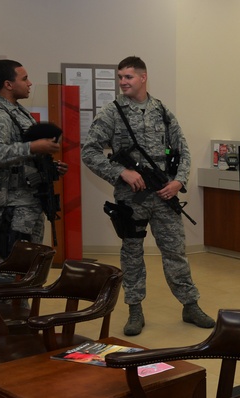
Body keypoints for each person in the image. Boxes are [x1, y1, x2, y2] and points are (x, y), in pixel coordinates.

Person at [81, 56, 214, 336]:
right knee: (132, 253)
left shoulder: (162, 111)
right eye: (120, 77)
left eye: (128, 77)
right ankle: (134, 309)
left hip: (165, 195)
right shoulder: (111, 113)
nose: (123, 82)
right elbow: (89, 152)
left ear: (143, 77)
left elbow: (183, 150)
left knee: (176, 253)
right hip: (131, 199)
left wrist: (178, 181)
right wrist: (121, 173)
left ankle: (190, 305)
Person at [0, 59, 67, 280]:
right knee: (11, 269)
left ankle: (22, 313)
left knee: (30, 268)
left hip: (29, 202)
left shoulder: (17, 111)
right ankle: (4, 312)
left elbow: (22, 157)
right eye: (24, 79)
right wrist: (32, 146)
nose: (30, 83)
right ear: (8, 84)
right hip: (11, 205)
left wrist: (50, 167)